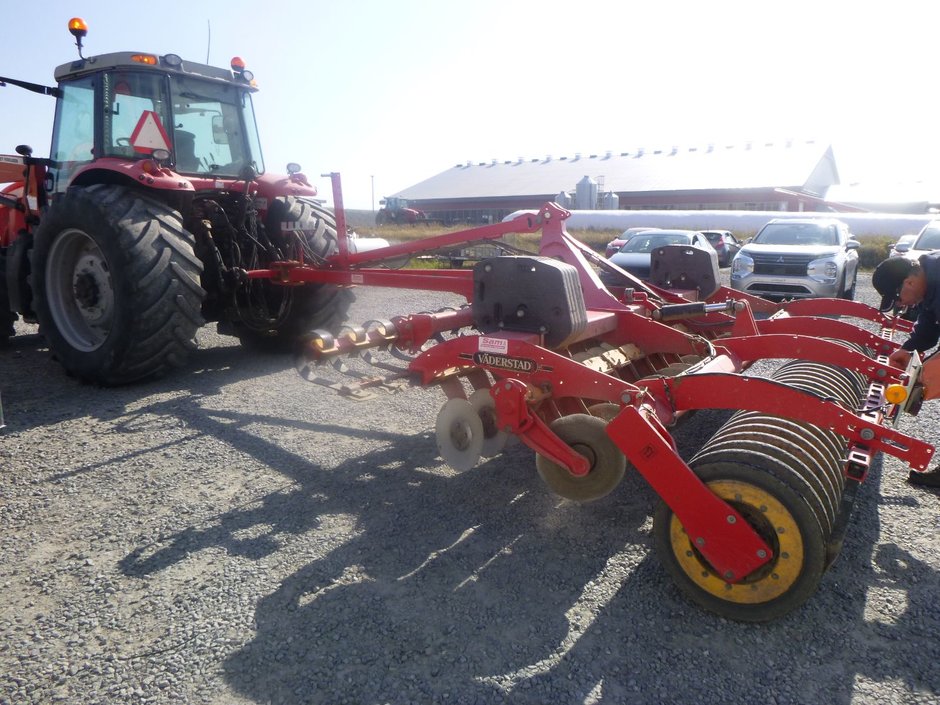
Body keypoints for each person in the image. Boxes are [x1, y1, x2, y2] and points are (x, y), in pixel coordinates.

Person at [873, 252, 940, 487]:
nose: (901, 304)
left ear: (909, 282)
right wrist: (909, 348)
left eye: (898, 297)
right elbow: (929, 325)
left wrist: (929, 370)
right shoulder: (931, 283)